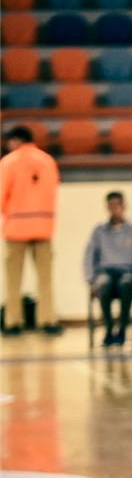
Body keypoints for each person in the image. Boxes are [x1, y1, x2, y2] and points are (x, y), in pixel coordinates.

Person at [1, 126, 61, 337]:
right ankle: (47, 320)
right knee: (45, 279)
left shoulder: (8, 162)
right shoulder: (48, 161)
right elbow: (53, 192)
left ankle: (13, 322)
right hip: (44, 227)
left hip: (16, 227)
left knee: (13, 280)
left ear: (16, 140)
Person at [84, 191, 132, 348]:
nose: (114, 209)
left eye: (117, 205)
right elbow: (89, 255)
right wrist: (90, 279)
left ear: (124, 206)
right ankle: (109, 326)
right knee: (103, 284)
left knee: (126, 284)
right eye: (111, 206)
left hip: (128, 272)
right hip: (106, 271)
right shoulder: (99, 230)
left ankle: (123, 328)